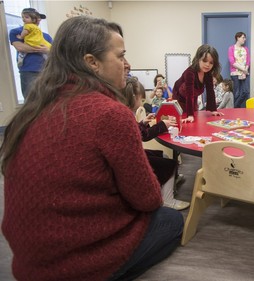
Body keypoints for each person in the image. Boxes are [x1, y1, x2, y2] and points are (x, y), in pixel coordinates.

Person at [0, 16, 183, 281]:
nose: (127, 65)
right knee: (171, 221)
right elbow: (148, 199)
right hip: (72, 265)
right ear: (91, 63)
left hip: (28, 261)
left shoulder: (32, 110)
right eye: (120, 56)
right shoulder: (110, 113)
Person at [123, 77, 190, 210]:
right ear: (133, 97)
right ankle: (168, 200)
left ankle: (170, 182)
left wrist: (143, 122)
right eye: (141, 99)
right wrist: (162, 125)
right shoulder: (125, 114)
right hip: (133, 158)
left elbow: (137, 130)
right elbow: (144, 136)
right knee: (170, 163)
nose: (142, 102)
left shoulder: (126, 112)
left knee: (164, 155)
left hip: (134, 153)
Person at [172, 44, 224, 123]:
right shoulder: (190, 72)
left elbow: (210, 91)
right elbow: (189, 94)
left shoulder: (207, 73)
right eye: (204, 61)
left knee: (195, 119)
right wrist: (190, 115)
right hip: (180, 99)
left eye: (211, 63)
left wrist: (213, 110)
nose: (207, 65)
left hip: (192, 98)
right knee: (185, 120)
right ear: (198, 59)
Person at [9, 8, 53, 99]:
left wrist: (48, 51)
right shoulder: (16, 32)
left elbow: (54, 53)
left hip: (47, 72)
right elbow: (20, 47)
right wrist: (43, 49)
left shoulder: (46, 36)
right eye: (24, 17)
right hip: (29, 71)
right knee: (30, 100)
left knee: (47, 100)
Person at [228, 31, 250, 108]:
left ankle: (235, 107)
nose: (245, 39)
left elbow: (248, 61)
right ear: (238, 38)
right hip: (235, 73)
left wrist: (245, 70)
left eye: (245, 37)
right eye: (243, 37)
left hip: (244, 73)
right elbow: (232, 62)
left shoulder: (246, 49)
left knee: (245, 92)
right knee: (236, 93)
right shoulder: (231, 48)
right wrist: (243, 69)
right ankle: (235, 108)